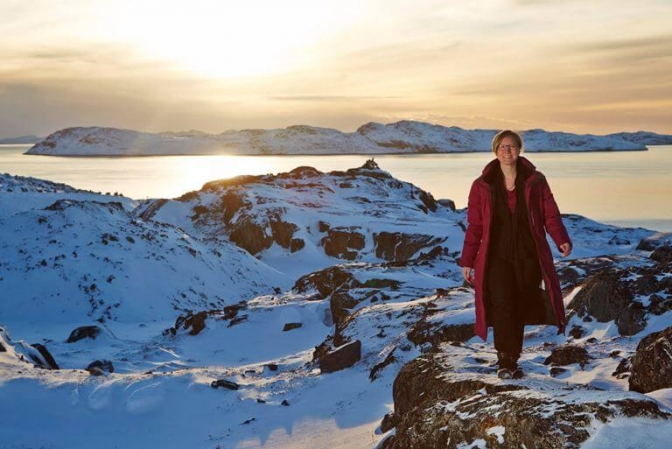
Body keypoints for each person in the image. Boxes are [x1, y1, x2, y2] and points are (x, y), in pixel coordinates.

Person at [460, 129, 572, 379]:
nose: (507, 151)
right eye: (502, 146)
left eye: (511, 146)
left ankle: (513, 357)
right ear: (495, 151)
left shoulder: (536, 180)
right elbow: (475, 226)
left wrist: (561, 239)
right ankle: (504, 360)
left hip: (528, 254)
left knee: (520, 301)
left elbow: (550, 214)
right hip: (496, 256)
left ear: (519, 150)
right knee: (502, 302)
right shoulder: (482, 186)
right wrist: (467, 260)